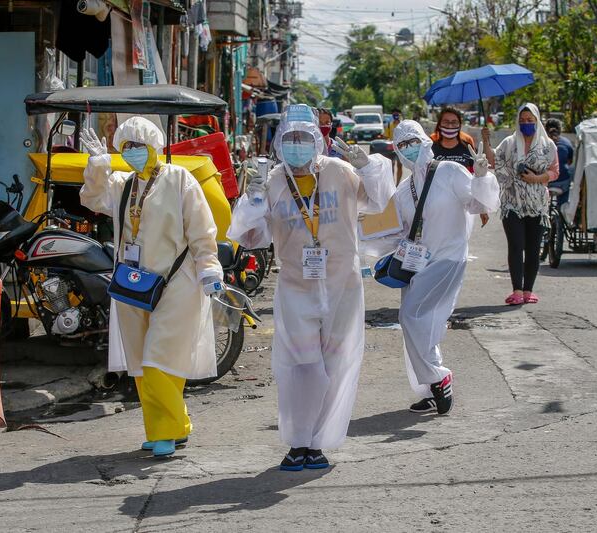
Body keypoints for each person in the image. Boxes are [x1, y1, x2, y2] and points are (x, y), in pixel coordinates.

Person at [227, 104, 394, 471]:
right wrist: (253, 201)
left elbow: (381, 199)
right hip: (295, 286)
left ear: (317, 140)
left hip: (342, 285)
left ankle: (318, 444)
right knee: (301, 366)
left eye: (305, 138)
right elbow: (252, 237)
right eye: (291, 139)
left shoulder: (341, 172)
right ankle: (298, 440)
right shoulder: (272, 181)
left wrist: (370, 166)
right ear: (280, 142)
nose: (298, 145)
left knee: (334, 364)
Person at [79, 117, 224, 458]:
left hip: (177, 282)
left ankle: (166, 431)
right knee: (143, 363)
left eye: (138, 146)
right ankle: (173, 425)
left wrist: (208, 266)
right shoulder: (123, 184)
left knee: (161, 358)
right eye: (125, 147)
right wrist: (97, 166)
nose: (132, 153)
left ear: (154, 146)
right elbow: (92, 198)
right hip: (134, 284)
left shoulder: (179, 180)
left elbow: (202, 230)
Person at [370, 120, 499, 414]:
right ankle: (430, 388)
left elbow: (478, 205)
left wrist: (481, 177)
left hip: (449, 257)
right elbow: (396, 230)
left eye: (413, 141)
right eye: (402, 145)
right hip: (417, 264)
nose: (409, 149)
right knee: (424, 324)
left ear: (425, 141)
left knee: (411, 316)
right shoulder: (404, 190)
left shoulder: (449, 171)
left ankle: (440, 376)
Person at [491, 103, 559, 306]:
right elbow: (497, 161)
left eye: (530, 121)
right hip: (512, 202)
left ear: (537, 121)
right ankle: (517, 290)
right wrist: (486, 142)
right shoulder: (509, 143)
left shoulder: (548, 146)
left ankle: (529, 290)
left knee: (532, 248)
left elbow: (555, 171)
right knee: (516, 245)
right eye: (522, 121)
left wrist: (537, 179)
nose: (526, 124)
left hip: (537, 204)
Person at [431, 107, 494, 227]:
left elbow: (475, 179)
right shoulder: (430, 149)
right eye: (446, 122)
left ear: (460, 125)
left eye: (454, 122)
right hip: (434, 209)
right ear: (439, 124)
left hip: (462, 210)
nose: (450, 126)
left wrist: (482, 207)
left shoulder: (467, 149)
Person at [544, 118, 574, 206]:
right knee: (563, 203)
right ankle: (562, 214)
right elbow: (569, 162)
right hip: (563, 183)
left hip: (546, 182)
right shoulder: (567, 142)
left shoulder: (540, 143)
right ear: (560, 130)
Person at [386, 109, 403, 183]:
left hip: (401, 148)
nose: (396, 116)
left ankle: (397, 184)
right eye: (394, 114)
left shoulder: (403, 125)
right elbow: (386, 136)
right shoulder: (389, 125)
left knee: (399, 166)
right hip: (391, 148)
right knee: (391, 166)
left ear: (400, 115)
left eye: (397, 114)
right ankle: (392, 183)